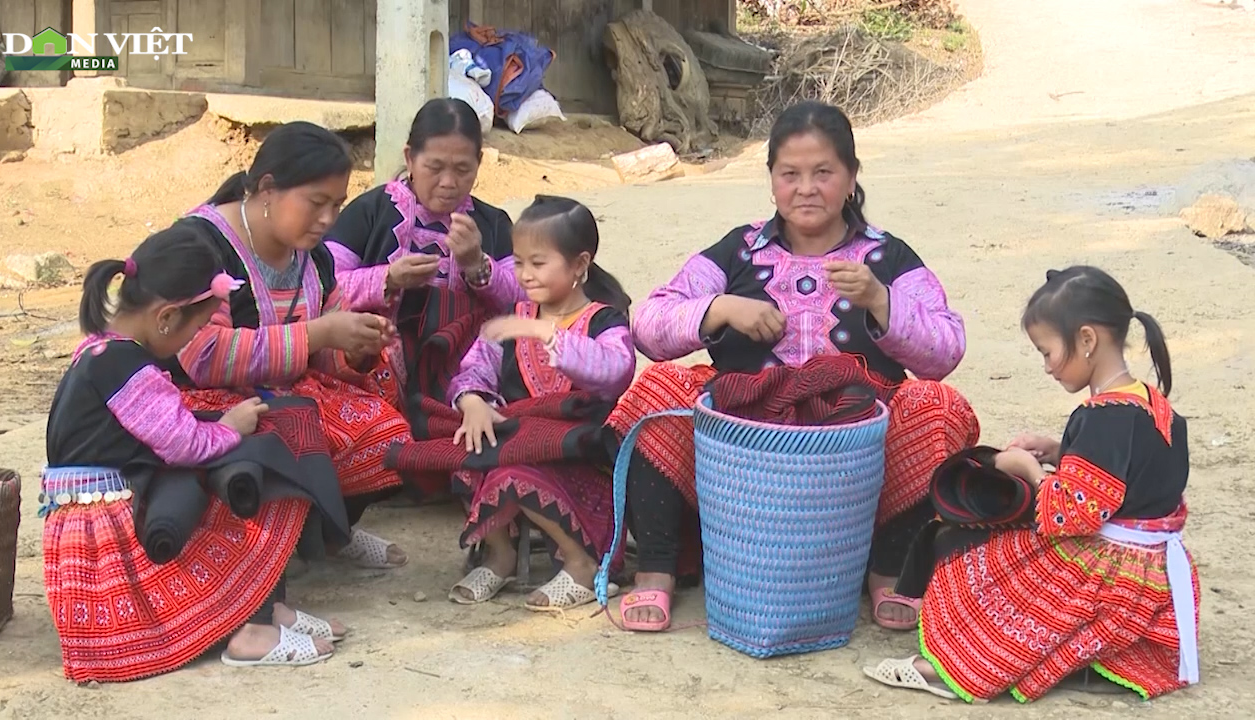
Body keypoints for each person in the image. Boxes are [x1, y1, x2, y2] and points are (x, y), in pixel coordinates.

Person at [607, 101, 979, 633]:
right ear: (771, 182)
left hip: (852, 442)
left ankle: (890, 569)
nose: (807, 188)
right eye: (791, 174)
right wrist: (720, 308)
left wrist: (882, 302)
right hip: (747, 441)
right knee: (659, 389)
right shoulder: (738, 250)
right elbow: (647, 323)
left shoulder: (888, 258)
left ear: (851, 178)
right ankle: (657, 571)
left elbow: (946, 350)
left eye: (824, 173)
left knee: (936, 406)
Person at [864, 266, 1197, 703]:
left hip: (1108, 572)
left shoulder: (1102, 418)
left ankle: (953, 668)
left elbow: (1069, 514)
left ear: (1087, 340)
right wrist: (1060, 451)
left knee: (970, 556)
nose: (1046, 368)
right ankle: (1095, 658)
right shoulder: (1153, 405)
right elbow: (1132, 475)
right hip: (1153, 574)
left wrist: (1025, 469)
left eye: (1047, 352)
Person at [42, 227, 348, 682]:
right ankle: (251, 630)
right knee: (252, 476)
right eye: (196, 327)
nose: (194, 339)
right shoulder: (129, 368)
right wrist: (227, 428)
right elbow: (184, 443)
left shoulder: (99, 351)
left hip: (89, 514)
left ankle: (268, 609)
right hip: (106, 527)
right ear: (166, 318)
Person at [171, 121, 410, 569]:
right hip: (203, 400)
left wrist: (356, 344)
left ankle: (327, 531)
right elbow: (201, 355)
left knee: (388, 434)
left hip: (283, 392)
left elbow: (328, 356)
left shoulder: (313, 256)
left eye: (336, 205)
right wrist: (319, 333)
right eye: (316, 203)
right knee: (288, 438)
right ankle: (258, 559)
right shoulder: (201, 246)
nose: (328, 220)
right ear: (267, 189)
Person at [392, 195, 635, 609]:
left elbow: (616, 371)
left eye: (538, 264)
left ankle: (580, 564)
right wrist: (472, 401)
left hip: (577, 447)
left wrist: (543, 333)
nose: (525, 275)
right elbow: (474, 368)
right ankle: (499, 554)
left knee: (514, 465)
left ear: (579, 264)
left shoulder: (604, 320)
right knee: (469, 445)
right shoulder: (515, 314)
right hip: (518, 433)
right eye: (519, 262)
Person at [324, 98, 521, 414]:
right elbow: (323, 287)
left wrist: (477, 266)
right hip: (376, 367)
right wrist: (388, 279)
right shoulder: (369, 211)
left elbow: (526, 302)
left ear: (478, 163)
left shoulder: (493, 223)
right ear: (410, 158)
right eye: (434, 167)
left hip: (467, 371)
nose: (448, 182)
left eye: (462, 169)